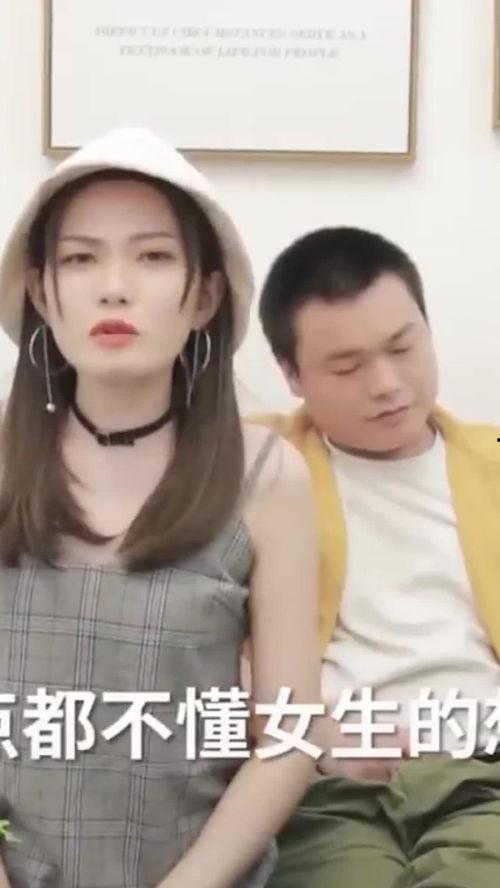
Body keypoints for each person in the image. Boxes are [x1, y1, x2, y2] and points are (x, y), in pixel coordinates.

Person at [0, 127, 320, 888]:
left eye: (152, 257)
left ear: (204, 295)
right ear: (42, 291)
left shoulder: (268, 477)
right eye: (81, 259)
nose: (114, 288)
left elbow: (289, 738)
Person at [255, 226, 500, 888]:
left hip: (483, 772)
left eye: (403, 347)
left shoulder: (492, 463)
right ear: (291, 374)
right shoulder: (257, 469)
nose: (388, 384)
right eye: (347, 367)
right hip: (326, 786)